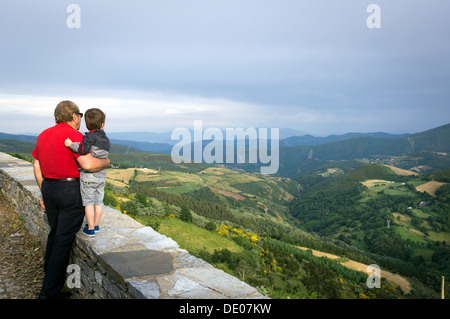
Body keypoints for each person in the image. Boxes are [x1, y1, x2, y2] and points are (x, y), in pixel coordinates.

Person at [32, 101, 110, 299]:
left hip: (49, 187)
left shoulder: (43, 135)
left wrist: (44, 191)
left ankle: (48, 274)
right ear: (74, 116)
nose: (81, 120)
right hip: (70, 191)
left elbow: (36, 165)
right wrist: (107, 161)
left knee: (55, 234)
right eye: (80, 115)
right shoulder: (75, 137)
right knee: (62, 241)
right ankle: (49, 293)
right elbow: (88, 164)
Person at [64, 108, 111, 237]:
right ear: (102, 124)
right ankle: (96, 225)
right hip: (102, 175)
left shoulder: (89, 136)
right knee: (99, 202)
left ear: (87, 124)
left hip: (89, 176)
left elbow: (83, 149)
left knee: (89, 203)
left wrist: (70, 144)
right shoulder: (106, 139)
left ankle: (90, 228)